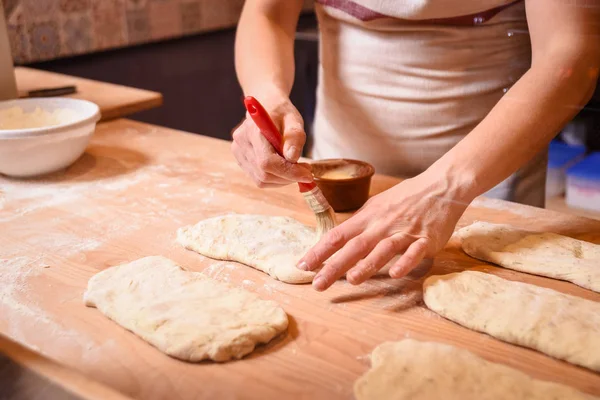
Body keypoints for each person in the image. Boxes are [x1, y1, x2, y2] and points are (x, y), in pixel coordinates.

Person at [231, 0, 600, 292]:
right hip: (344, 181)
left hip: (484, 185)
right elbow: (268, 12)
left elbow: (571, 52)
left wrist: (447, 187)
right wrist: (266, 94)